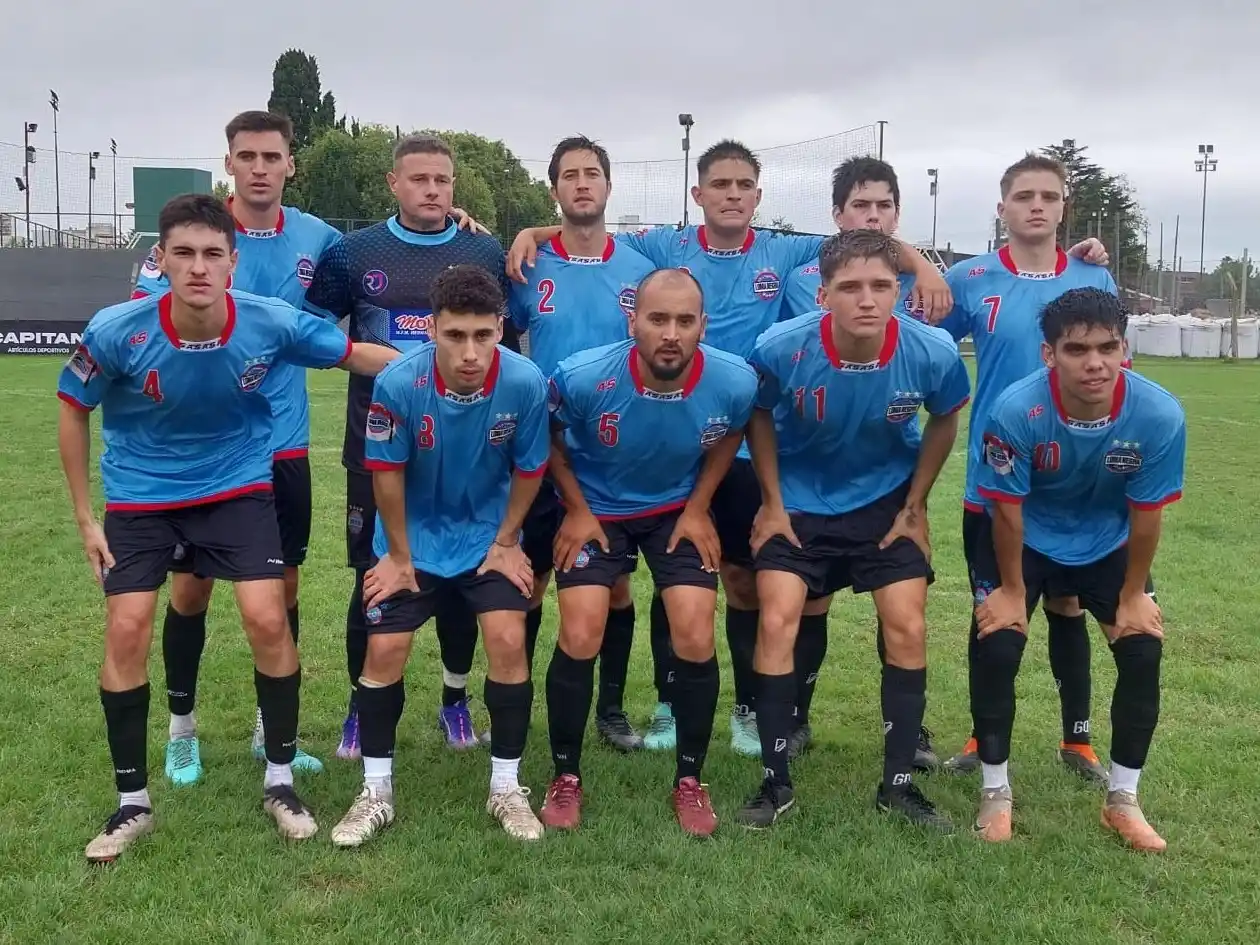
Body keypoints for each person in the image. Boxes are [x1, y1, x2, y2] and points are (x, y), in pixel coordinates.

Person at [509, 139, 954, 757]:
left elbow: (861, 243)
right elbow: (586, 232)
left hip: (743, 445)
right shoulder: (666, 247)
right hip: (656, 433)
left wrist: (923, 266)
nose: (733, 195)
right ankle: (666, 706)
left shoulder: (785, 249)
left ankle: (749, 709)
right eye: (720, 184)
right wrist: (532, 230)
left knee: (742, 583)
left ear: (759, 195)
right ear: (698, 194)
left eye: (744, 185)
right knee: (665, 572)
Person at [58, 194, 396, 863]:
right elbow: (73, 408)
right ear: (160, 260)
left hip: (237, 488)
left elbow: (355, 353)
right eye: (183, 253)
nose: (198, 267)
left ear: (232, 263)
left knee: (268, 618)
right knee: (127, 626)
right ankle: (132, 802)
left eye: (212, 254)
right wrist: (85, 517)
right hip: (143, 496)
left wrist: (443, 362)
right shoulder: (116, 330)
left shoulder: (269, 321)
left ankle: (280, 781)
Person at [132, 110, 343, 784]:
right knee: (191, 590)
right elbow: (144, 316)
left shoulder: (320, 239)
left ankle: (267, 730)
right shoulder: (196, 236)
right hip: (201, 450)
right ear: (229, 162)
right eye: (246, 155)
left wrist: (468, 221)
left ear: (290, 165)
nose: (259, 167)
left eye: (271, 156)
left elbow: (387, 261)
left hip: (283, 446)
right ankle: (182, 731)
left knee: (282, 588)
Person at [738, 230, 970, 830]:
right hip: (800, 502)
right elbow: (756, 413)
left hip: (884, 503)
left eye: (881, 286)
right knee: (777, 619)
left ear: (899, 291)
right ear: (823, 295)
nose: (867, 299)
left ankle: (898, 786)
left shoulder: (932, 351)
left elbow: (945, 417)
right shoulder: (780, 348)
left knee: (907, 623)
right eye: (850, 287)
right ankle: (775, 782)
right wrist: (771, 502)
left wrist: (915, 505)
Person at [305, 133, 514, 758]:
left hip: (465, 445)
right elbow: (312, 330)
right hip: (378, 441)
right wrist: (361, 356)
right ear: (393, 183)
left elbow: (502, 342)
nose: (431, 190)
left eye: (442, 180)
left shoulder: (482, 248)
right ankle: (359, 706)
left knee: (460, 574)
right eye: (419, 179)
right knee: (373, 575)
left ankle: (454, 699)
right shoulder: (354, 251)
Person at [328, 265, 550, 846]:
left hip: (486, 539)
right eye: (455, 335)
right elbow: (385, 474)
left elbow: (531, 468)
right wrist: (399, 557)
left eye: (483, 335)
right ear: (431, 330)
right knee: (385, 650)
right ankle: (375, 792)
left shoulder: (525, 382)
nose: (470, 352)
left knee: (508, 639)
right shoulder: (399, 382)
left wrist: (507, 541)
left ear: (501, 328)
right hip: (413, 540)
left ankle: (507, 787)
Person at [540, 268, 758, 836]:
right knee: (580, 631)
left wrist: (698, 508)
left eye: (685, 321)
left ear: (703, 325)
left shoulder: (734, 380)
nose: (671, 334)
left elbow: (733, 433)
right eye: (658, 319)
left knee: (695, 631)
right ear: (632, 319)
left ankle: (690, 779)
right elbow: (548, 437)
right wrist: (577, 510)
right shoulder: (583, 377)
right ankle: (565, 775)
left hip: (673, 511)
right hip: (597, 509)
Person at [970, 287, 1184, 851]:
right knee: (998, 643)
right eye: (1077, 349)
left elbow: (1147, 514)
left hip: (1106, 542)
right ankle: (995, 791)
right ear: (1049, 355)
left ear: (1124, 349)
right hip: (1026, 539)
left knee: (1142, 650)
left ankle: (1123, 801)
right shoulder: (1016, 410)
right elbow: (1007, 510)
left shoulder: (1158, 413)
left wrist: (1133, 594)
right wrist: (1011, 590)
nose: (1095, 363)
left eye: (1108, 347)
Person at [935, 153, 1117, 782]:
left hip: (1074, 479)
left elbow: (1112, 371)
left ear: (1065, 207)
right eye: (1023, 196)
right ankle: (981, 735)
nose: (1036, 205)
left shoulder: (1093, 275)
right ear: (1002, 207)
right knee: (992, 610)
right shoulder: (969, 278)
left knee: (1068, 606)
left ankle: (1078, 740)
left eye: (1049, 196)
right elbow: (923, 340)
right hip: (995, 478)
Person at [506, 135, 656, 752]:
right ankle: (517, 702)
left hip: (615, 453)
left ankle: (611, 710)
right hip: (543, 449)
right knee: (529, 579)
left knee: (615, 585)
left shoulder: (642, 268)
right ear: (555, 190)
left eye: (592, 173)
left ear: (609, 186)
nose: (582, 183)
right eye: (570, 175)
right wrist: (530, 234)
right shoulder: (528, 265)